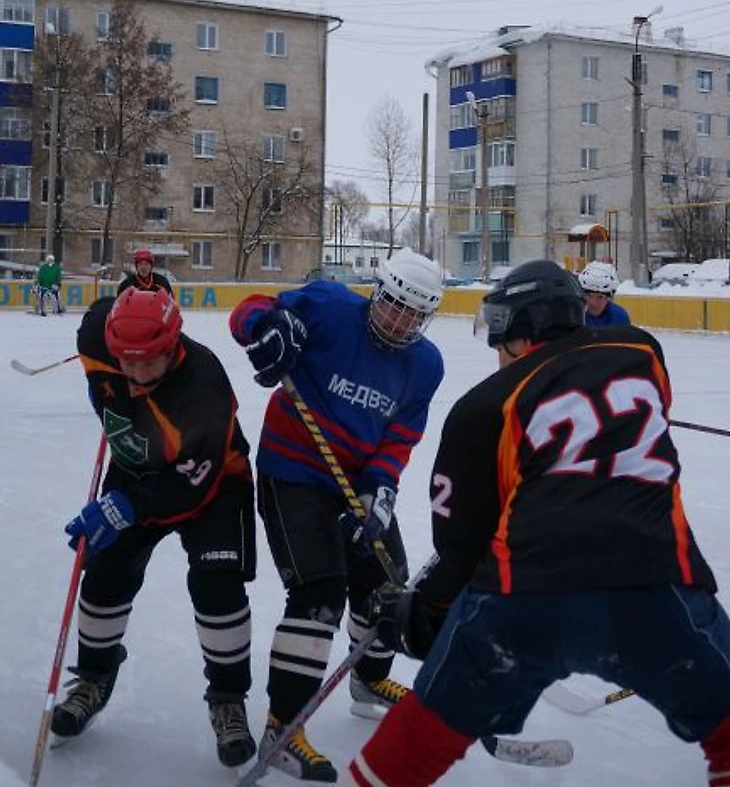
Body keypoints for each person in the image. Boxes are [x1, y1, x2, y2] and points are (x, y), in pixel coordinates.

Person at [337, 259, 730, 787]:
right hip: (658, 584)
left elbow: (462, 548)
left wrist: (423, 610)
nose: (496, 352)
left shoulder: (481, 407)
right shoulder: (642, 352)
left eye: (499, 337)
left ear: (522, 334)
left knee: (408, 749)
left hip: (523, 600)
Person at [229, 248, 445, 782]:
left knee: (388, 586)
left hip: (356, 482)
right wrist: (267, 326)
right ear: (378, 293)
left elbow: (400, 436)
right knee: (318, 593)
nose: (401, 322)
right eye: (394, 307)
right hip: (293, 471)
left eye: (414, 315)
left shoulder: (426, 364)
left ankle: (368, 679)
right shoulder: (327, 306)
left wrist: (380, 490)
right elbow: (247, 311)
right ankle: (284, 725)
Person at [50, 288, 258, 768]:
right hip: (135, 472)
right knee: (103, 574)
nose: (138, 375)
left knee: (216, 585)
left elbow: (191, 485)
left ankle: (228, 698)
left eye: (150, 364)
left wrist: (122, 507)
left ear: (172, 346)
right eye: (129, 363)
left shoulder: (203, 384)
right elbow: (104, 316)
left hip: (212, 482)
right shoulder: (98, 338)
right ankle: (94, 678)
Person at [578, 260, 630, 327]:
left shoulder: (619, 318)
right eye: (589, 296)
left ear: (610, 298)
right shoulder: (572, 315)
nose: (593, 302)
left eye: (600, 297)